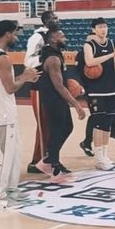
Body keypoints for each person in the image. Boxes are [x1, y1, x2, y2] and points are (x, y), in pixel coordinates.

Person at [0, 20, 40, 208]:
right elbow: (10, 88)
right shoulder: (2, 59)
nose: (17, 37)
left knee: (14, 155)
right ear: (7, 34)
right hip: (1, 115)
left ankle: (11, 189)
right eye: (15, 33)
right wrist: (25, 77)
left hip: (5, 113)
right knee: (2, 156)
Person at [35, 26, 87, 183]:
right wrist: (76, 105)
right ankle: (55, 170)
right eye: (62, 36)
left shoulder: (56, 55)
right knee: (57, 131)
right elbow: (59, 86)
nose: (65, 39)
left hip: (58, 99)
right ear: (53, 39)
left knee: (66, 127)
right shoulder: (53, 59)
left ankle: (48, 160)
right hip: (53, 99)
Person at [84, 17, 115, 171]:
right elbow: (89, 62)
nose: (103, 29)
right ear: (94, 29)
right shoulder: (89, 45)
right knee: (98, 123)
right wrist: (111, 55)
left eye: (105, 27)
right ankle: (99, 157)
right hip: (96, 90)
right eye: (100, 27)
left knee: (107, 124)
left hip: (112, 89)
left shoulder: (112, 43)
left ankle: (104, 155)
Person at [24, 10, 58, 174]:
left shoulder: (56, 36)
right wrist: (42, 58)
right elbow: (27, 61)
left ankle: (51, 158)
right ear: (45, 21)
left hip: (53, 86)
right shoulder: (37, 37)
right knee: (44, 124)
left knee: (54, 124)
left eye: (56, 17)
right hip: (40, 85)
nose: (56, 20)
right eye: (53, 18)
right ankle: (37, 161)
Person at [78, 33, 97, 157]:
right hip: (91, 90)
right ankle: (87, 142)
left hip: (103, 89)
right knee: (95, 115)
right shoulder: (81, 55)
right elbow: (78, 73)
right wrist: (82, 87)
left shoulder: (101, 54)